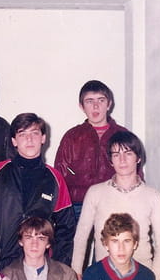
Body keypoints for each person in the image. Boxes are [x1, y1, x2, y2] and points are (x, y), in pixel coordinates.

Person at [72, 131, 160, 280]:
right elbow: (81, 237)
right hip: (104, 279)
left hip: (140, 279)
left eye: (128, 153)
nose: (122, 160)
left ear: (138, 158)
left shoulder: (153, 197)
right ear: (111, 160)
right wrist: (76, 273)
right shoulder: (95, 193)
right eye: (116, 154)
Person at [0, 112, 76, 271]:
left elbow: (66, 228)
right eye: (22, 134)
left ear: (43, 138)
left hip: (39, 265)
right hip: (0, 262)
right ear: (14, 141)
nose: (29, 139)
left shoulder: (54, 178)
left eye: (34, 133)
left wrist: (59, 267)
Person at [53, 80, 130, 221]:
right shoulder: (72, 137)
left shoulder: (123, 135)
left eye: (101, 100)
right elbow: (59, 176)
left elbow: (135, 172)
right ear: (81, 106)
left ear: (109, 104)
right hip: (78, 206)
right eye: (89, 101)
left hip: (115, 203)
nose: (96, 106)